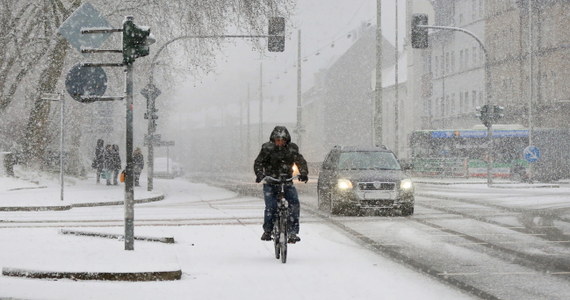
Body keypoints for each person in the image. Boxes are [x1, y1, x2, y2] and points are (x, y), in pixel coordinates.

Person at [254, 126, 309, 244]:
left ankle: (293, 232)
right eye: (277, 140)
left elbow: (301, 161)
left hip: (287, 181)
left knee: (294, 203)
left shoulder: (292, 149)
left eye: (282, 140)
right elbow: (258, 162)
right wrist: (259, 174)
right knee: (271, 207)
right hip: (271, 182)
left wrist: (303, 173)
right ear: (273, 140)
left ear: (286, 140)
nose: (280, 142)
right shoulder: (267, 149)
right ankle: (268, 231)